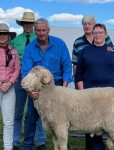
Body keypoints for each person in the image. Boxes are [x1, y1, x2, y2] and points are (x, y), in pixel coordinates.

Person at [21, 18, 72, 150]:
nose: (41, 33)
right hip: (37, 88)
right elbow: (26, 72)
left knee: (61, 119)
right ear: (34, 31)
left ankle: (65, 146)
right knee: (31, 117)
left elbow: (67, 67)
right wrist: (30, 92)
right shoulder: (30, 49)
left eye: (44, 30)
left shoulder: (60, 44)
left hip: (58, 86)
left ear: (49, 30)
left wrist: (63, 89)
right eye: (38, 30)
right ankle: (28, 146)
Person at [75, 23, 114, 150]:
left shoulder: (113, 50)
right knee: (91, 125)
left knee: (111, 125)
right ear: (92, 35)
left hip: (110, 98)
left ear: (105, 34)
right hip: (90, 97)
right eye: (95, 33)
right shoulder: (85, 51)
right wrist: (82, 93)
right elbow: (78, 73)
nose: (97, 35)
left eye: (100, 32)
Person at [72, 15, 113, 150]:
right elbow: (76, 66)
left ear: (94, 25)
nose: (87, 26)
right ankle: (91, 148)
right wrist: (80, 86)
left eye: (89, 24)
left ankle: (109, 145)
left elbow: (110, 58)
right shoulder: (78, 42)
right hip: (86, 87)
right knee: (88, 119)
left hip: (104, 88)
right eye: (84, 24)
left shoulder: (106, 40)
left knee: (105, 119)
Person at [10, 12, 46, 150]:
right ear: (22, 24)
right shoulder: (15, 41)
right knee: (18, 112)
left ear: (33, 25)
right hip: (19, 80)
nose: (28, 25)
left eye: (30, 23)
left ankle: (40, 141)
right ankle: (15, 142)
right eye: (25, 23)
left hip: (36, 82)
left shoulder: (40, 40)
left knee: (38, 111)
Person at [0, 23, 20, 150]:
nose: (2, 36)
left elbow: (17, 69)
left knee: (8, 122)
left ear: (8, 37)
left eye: (4, 34)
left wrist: (10, 83)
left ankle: (8, 147)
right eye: (0, 34)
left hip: (9, 88)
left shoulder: (14, 52)